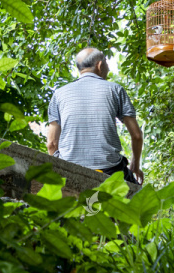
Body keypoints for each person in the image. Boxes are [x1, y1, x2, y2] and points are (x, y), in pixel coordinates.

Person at [46, 47, 144, 184]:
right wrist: (135, 165)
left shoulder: (59, 94)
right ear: (99, 65)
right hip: (109, 170)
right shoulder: (115, 90)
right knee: (137, 199)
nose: (108, 68)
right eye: (106, 63)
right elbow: (137, 135)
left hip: (69, 170)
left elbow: (51, 144)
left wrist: (61, 168)